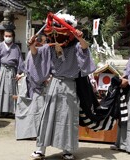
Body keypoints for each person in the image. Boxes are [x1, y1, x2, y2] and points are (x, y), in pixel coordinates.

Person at [29, 13, 96, 160]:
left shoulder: (76, 46)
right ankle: (41, 149)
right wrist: (32, 45)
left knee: (67, 118)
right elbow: (36, 55)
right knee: (48, 116)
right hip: (54, 84)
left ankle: (67, 150)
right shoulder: (50, 47)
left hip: (69, 85)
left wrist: (79, 37)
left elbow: (85, 48)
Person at [15, 34, 52, 140]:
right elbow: (32, 57)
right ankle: (28, 133)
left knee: (37, 111)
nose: (45, 44)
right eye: (43, 42)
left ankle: (36, 133)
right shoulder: (36, 51)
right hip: (30, 85)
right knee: (29, 110)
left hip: (39, 85)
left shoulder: (44, 52)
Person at [0, 29, 24, 117]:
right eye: (6, 36)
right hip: (2, 70)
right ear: (3, 36)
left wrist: (19, 73)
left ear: (13, 37)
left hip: (12, 71)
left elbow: (20, 61)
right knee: (0, 90)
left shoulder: (16, 47)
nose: (8, 38)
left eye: (10, 36)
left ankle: (10, 111)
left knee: (11, 91)